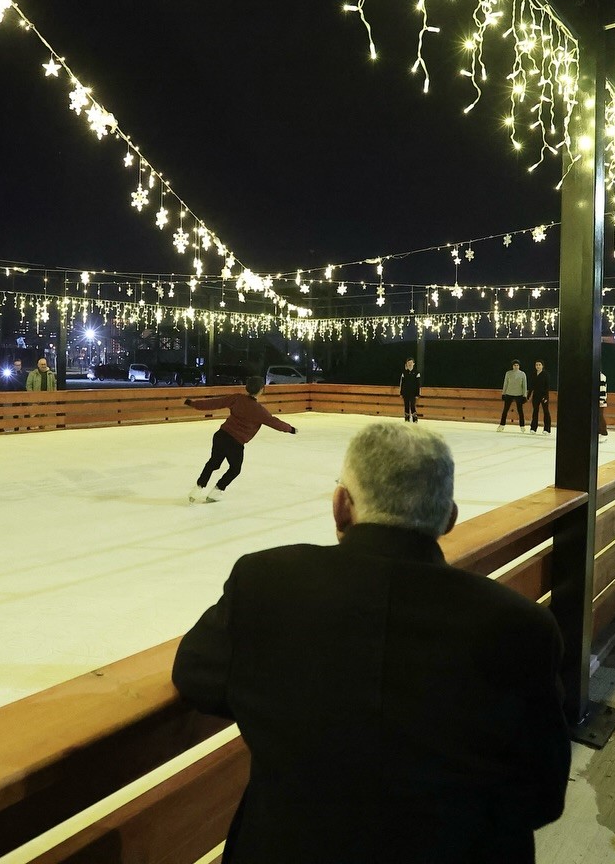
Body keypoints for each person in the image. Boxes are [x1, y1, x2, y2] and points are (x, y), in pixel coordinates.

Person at [172, 421, 570, 862]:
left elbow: (196, 676)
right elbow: (542, 795)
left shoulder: (265, 583)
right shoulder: (521, 625)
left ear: (342, 506)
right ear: (449, 517)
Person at [184, 376, 295, 502]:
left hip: (221, 436)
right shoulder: (259, 410)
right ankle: (217, 491)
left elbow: (215, 402)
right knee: (235, 469)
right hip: (235, 443)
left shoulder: (237, 398)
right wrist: (290, 429)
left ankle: (197, 489)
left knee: (213, 463)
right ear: (261, 390)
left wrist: (194, 404)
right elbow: (273, 422)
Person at [497, 359, 526, 431]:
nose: (516, 366)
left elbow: (524, 385)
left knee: (520, 411)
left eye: (517, 365)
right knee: (505, 410)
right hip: (509, 393)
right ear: (512, 366)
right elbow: (505, 384)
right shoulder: (508, 373)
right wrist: (503, 393)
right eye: (514, 365)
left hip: (518, 394)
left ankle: (522, 426)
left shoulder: (522, 374)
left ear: (519, 366)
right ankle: (501, 425)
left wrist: (524, 395)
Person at [528, 359, 552, 433]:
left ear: (542, 366)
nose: (538, 366)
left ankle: (546, 429)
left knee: (546, 411)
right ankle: (533, 428)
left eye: (539, 365)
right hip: (536, 396)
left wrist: (545, 397)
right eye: (536, 365)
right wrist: (529, 395)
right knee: (535, 411)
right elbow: (531, 386)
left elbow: (547, 387)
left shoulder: (546, 374)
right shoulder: (534, 374)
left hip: (543, 396)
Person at [398, 357, 421, 422]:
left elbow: (418, 384)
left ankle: (415, 420)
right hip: (406, 393)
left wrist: (417, 394)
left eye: (411, 363)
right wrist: (401, 393)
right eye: (408, 363)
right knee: (406, 407)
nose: (409, 364)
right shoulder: (404, 373)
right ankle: (407, 420)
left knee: (413, 406)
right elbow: (402, 383)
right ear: (406, 364)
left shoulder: (417, 373)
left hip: (413, 393)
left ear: (413, 363)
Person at [597, 371, 609, 441]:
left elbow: (602, 389)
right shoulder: (594, 375)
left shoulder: (602, 377)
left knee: (600, 416)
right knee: (595, 418)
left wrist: (601, 400)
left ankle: (604, 433)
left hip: (600, 401)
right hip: (594, 400)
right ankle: (598, 432)